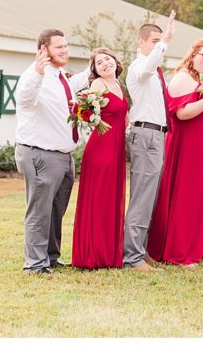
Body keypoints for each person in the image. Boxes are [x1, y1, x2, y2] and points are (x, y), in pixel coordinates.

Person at [146, 40, 203, 265]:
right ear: (192, 55)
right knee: (188, 196)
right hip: (190, 147)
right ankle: (179, 250)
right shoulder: (183, 78)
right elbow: (181, 114)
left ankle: (202, 247)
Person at [13, 29, 87, 275]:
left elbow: (72, 88)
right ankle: (35, 264)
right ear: (44, 50)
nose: (65, 50)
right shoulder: (34, 77)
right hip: (41, 154)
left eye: (66, 46)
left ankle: (51, 258)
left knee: (56, 211)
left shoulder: (59, 76)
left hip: (63, 156)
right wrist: (37, 72)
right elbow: (24, 98)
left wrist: (99, 64)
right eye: (59, 47)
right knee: (40, 210)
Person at [122, 11, 176, 272]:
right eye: (153, 41)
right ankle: (131, 256)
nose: (158, 45)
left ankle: (140, 251)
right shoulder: (139, 68)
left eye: (159, 40)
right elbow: (148, 65)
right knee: (142, 196)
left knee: (151, 196)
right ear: (141, 43)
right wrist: (165, 40)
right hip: (146, 135)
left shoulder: (154, 73)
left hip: (159, 134)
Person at [71, 48, 130, 269]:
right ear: (94, 69)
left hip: (117, 148)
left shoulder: (120, 87)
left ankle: (109, 253)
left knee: (112, 198)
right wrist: (95, 119)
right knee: (99, 198)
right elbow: (87, 113)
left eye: (107, 59)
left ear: (115, 61)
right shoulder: (97, 85)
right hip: (101, 147)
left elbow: (125, 119)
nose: (105, 63)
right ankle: (93, 254)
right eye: (98, 62)